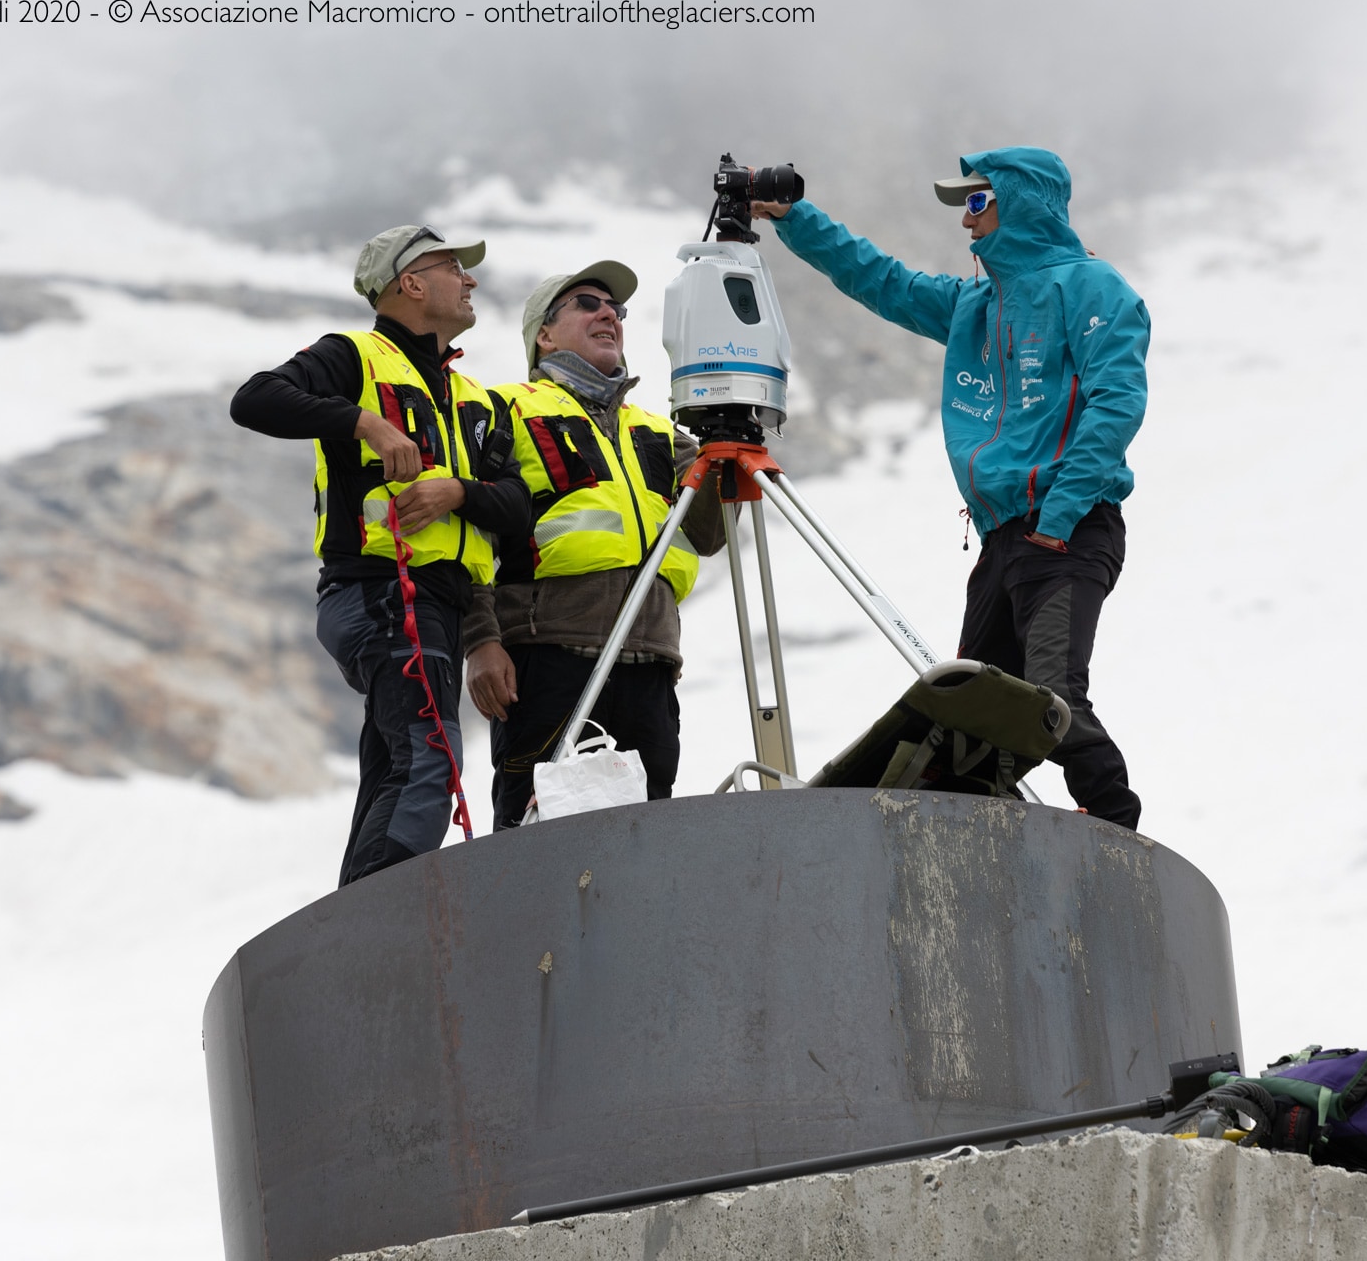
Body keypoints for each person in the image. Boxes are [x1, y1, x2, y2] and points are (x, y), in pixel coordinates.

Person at [755, 148, 1148, 830]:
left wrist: (1057, 517)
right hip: (1003, 542)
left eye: (975, 202)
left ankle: (1116, 827)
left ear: (1020, 201)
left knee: (1050, 697)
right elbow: (879, 279)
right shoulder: (973, 305)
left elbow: (1116, 406)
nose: (965, 223)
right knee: (974, 714)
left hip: (1070, 528)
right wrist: (795, 218)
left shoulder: (1094, 289)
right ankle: (972, 840)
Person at [230, 225, 530, 884]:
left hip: (435, 606)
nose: (471, 279)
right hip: (377, 591)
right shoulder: (353, 357)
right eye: (455, 267)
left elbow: (517, 506)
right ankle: (386, 917)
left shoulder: (476, 398)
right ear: (412, 283)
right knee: (430, 756)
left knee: (396, 764)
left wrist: (458, 492)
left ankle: (355, 918)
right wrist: (363, 421)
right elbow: (253, 399)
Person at [464, 261, 725, 827]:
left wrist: (719, 450)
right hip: (546, 660)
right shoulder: (503, 409)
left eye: (618, 310)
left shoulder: (659, 430)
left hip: (651, 667)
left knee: (646, 850)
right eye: (587, 303)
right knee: (535, 847)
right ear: (544, 334)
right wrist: (480, 641)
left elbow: (709, 535)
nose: (610, 314)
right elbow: (468, 538)